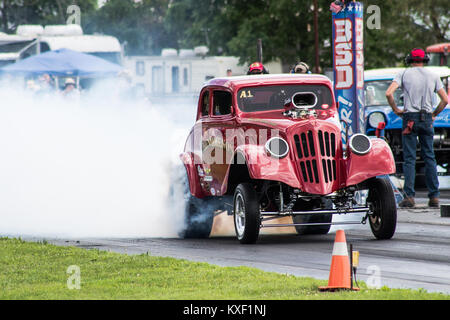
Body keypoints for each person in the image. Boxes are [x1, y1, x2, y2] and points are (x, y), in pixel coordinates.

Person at [385, 48, 448, 208]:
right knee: (429, 157)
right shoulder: (433, 75)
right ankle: (434, 197)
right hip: (426, 117)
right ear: (425, 60)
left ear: (410, 60)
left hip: (409, 118)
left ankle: (409, 197)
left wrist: (396, 109)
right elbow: (445, 100)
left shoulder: (403, 74)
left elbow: (388, 93)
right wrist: (434, 114)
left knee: (409, 159)